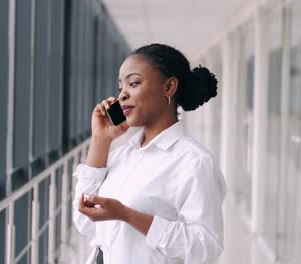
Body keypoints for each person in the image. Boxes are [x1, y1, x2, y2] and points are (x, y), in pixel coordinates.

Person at [73, 43, 227, 264]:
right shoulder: (123, 155)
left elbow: (205, 246)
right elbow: (84, 222)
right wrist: (101, 139)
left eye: (133, 83)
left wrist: (127, 215)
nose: (123, 95)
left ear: (169, 87)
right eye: (120, 88)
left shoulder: (193, 162)